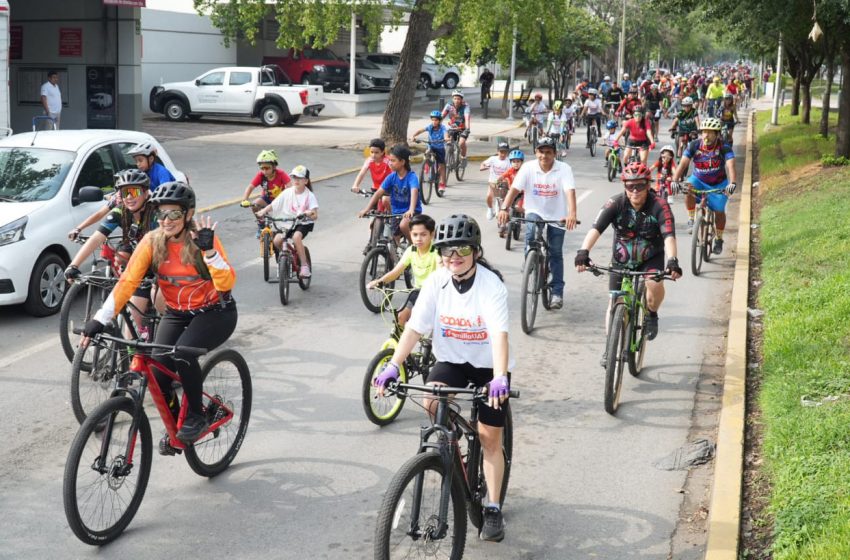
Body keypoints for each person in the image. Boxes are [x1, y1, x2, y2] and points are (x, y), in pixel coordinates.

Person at [373, 213, 513, 543]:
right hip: (450, 359)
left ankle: (492, 507)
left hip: (487, 365)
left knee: (490, 436)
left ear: (476, 252)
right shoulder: (437, 281)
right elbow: (414, 328)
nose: (454, 257)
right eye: (447, 250)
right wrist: (394, 365)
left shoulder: (491, 286)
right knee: (431, 400)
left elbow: (499, 336)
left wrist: (500, 377)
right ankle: (453, 446)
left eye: (462, 250)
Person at [81, 181, 237, 446]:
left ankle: (197, 416)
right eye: (161, 214)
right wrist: (99, 320)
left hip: (215, 311)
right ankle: (178, 423)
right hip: (177, 312)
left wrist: (209, 252)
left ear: (188, 215)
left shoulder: (202, 239)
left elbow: (226, 284)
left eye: (174, 214)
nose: (167, 220)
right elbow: (127, 282)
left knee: (184, 352)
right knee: (157, 371)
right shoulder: (152, 242)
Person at [574, 162, 682, 364]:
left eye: (640, 186)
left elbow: (668, 235)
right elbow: (596, 228)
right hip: (621, 258)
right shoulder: (615, 203)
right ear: (624, 186)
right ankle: (610, 347)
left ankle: (652, 314)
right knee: (615, 302)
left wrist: (673, 260)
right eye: (629, 186)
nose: (635, 191)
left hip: (651, 257)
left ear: (648, 185)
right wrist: (583, 251)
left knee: (654, 284)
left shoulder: (660, 205)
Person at [64, 169, 161, 332]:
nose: (129, 197)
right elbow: (97, 238)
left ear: (145, 193)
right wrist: (73, 265)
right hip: (140, 267)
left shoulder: (156, 214)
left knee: (161, 302)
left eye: (134, 191)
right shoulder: (120, 211)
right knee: (134, 321)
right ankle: (135, 353)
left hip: (161, 265)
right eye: (124, 192)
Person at [496, 136, 578, 309]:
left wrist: (572, 214)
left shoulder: (564, 169)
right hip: (535, 211)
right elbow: (514, 189)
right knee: (531, 234)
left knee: (555, 253)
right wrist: (504, 208)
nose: (544, 156)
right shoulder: (528, 168)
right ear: (536, 152)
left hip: (558, 214)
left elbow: (570, 192)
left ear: (555, 154)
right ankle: (530, 261)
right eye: (541, 152)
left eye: (548, 152)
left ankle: (556, 292)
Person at [671, 117, 737, 254]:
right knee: (687, 187)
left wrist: (732, 183)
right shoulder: (694, 145)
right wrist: (674, 180)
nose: (706, 135)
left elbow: (731, 166)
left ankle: (719, 238)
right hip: (698, 180)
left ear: (717, 134)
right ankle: (691, 218)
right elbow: (683, 163)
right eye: (704, 132)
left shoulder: (724, 147)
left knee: (719, 211)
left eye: (710, 132)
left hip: (718, 183)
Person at [367, 213, 440, 326]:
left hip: (435, 294)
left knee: (432, 325)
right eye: (415, 235)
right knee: (401, 317)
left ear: (432, 235)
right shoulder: (411, 250)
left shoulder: (436, 253)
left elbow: (443, 276)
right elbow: (395, 272)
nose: (418, 239)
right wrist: (379, 282)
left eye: (423, 235)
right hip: (418, 291)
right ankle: (399, 341)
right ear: (410, 234)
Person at [256, 165, 318, 278]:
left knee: (296, 237)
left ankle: (304, 266)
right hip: (288, 223)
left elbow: (315, 215)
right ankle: (288, 255)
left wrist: (308, 213)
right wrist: (263, 211)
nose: (296, 180)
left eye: (299, 178)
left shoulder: (309, 195)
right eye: (294, 178)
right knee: (276, 241)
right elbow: (273, 205)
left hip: (303, 223)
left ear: (306, 181)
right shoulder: (287, 192)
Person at [358, 144, 421, 242]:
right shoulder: (391, 177)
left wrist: (411, 209)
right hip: (396, 213)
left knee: (404, 225)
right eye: (390, 160)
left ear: (403, 162)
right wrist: (367, 209)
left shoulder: (411, 177)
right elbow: (378, 193)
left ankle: (415, 248)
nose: (390, 163)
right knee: (393, 240)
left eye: (393, 160)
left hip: (411, 212)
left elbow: (414, 191)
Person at [241, 149, 292, 237]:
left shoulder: (281, 174)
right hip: (267, 199)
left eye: (267, 168)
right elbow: (250, 187)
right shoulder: (261, 175)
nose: (264, 171)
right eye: (262, 168)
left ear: (274, 167)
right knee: (255, 204)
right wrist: (244, 200)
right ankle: (261, 226)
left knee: (280, 229)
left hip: (280, 200)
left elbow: (290, 187)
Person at [411, 110, 450, 193]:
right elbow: (420, 130)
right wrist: (413, 136)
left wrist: (446, 138)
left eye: (436, 120)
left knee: (442, 166)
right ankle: (427, 164)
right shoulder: (430, 127)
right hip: (431, 146)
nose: (434, 122)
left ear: (439, 120)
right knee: (427, 152)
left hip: (439, 148)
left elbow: (445, 133)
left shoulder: (442, 128)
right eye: (432, 120)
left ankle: (442, 183)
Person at [495, 149, 526, 238]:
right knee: (504, 206)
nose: (516, 163)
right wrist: (498, 180)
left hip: (521, 194)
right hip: (511, 193)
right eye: (514, 161)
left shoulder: (524, 171)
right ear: (511, 162)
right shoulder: (510, 170)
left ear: (522, 162)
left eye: (518, 161)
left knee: (521, 207)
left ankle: (523, 218)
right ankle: (502, 225)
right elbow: (502, 176)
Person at [479, 141, 512, 220]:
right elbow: (483, 164)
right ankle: (490, 209)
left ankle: (506, 213)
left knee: (505, 199)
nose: (503, 154)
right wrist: (483, 167)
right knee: (489, 196)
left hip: (504, 183)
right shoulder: (493, 159)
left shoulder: (509, 161)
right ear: (497, 151)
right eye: (501, 152)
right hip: (493, 182)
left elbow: (512, 171)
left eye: (505, 152)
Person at [442, 90, 471, 161]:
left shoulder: (465, 106)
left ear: (461, 99)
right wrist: (437, 124)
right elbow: (441, 116)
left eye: (458, 99)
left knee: (461, 143)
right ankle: (448, 154)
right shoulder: (449, 105)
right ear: (452, 99)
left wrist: (467, 128)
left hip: (462, 128)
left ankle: (463, 157)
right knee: (446, 140)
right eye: (455, 98)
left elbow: (467, 118)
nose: (456, 100)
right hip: (452, 128)